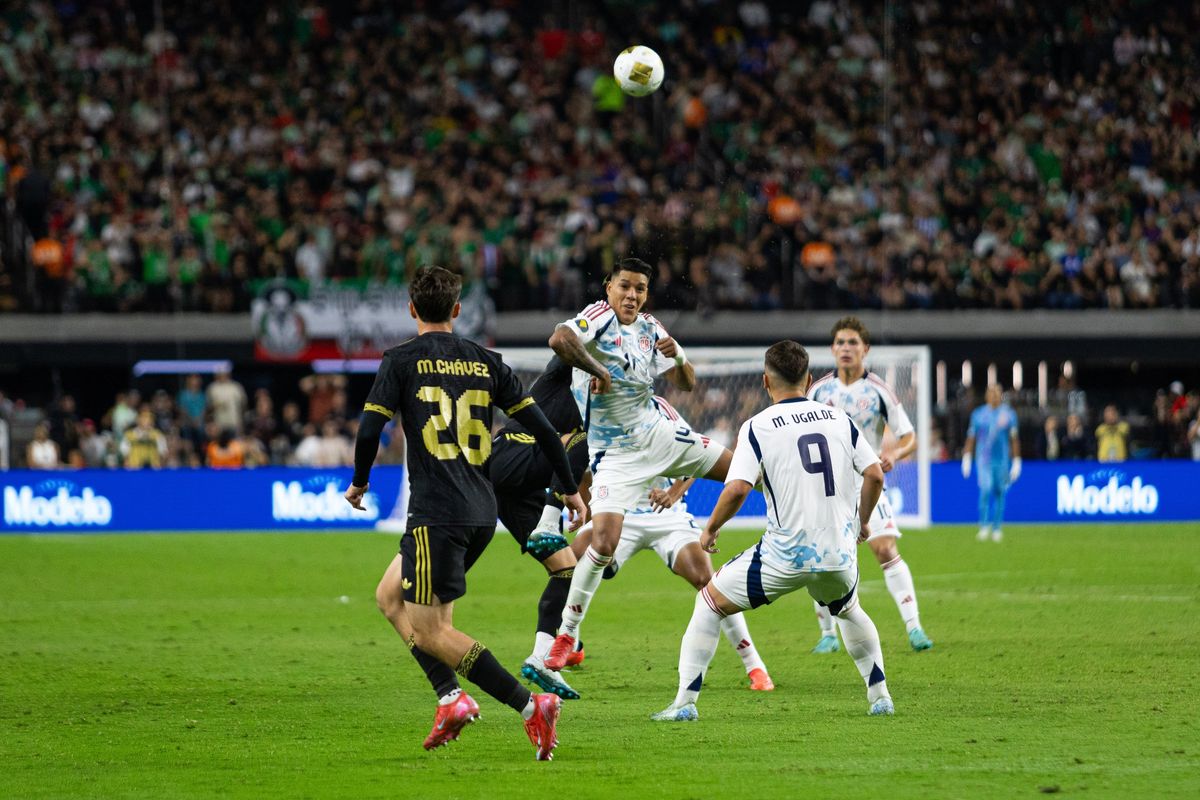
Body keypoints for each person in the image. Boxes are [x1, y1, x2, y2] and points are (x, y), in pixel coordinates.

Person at [343, 266, 587, 761]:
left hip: (437, 513)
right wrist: (568, 490)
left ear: (412, 309)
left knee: (432, 631)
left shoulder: (400, 360)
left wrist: (360, 482)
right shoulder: (487, 361)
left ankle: (528, 705)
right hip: (481, 509)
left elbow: (370, 430)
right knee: (391, 597)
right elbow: (543, 430)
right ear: (457, 310)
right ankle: (450, 698)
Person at [652, 341, 893, 721]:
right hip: (838, 552)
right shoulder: (839, 419)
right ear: (810, 380)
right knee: (848, 610)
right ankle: (880, 696)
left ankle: (684, 704)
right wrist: (863, 521)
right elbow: (875, 473)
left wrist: (710, 529)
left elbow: (737, 488)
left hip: (785, 555)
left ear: (766, 381)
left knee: (710, 601)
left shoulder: (757, 426)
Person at [540, 257, 732, 672]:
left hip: (660, 436)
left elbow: (687, 382)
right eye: (625, 286)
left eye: (640, 288)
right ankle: (567, 635)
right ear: (609, 286)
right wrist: (594, 368)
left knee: (742, 469)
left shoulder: (649, 326)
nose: (631, 295)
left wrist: (679, 357)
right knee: (602, 542)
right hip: (615, 454)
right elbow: (559, 340)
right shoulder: (597, 317)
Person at [587, 400, 774, 692]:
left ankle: (755, 667)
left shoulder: (662, 410)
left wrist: (674, 492)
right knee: (570, 562)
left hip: (667, 518)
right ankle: (565, 642)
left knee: (708, 583)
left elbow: (697, 455)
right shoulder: (598, 411)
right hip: (620, 515)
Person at [808, 317, 933, 653]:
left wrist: (895, 453)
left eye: (852, 343)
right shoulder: (818, 390)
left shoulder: (879, 390)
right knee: (817, 558)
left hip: (868, 482)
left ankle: (914, 627)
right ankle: (827, 634)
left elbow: (910, 437)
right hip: (827, 486)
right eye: (840, 343)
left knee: (884, 548)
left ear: (865, 349)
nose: (846, 349)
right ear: (832, 349)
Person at [487, 355, 593, 701]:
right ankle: (549, 519)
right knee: (579, 440)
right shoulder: (564, 370)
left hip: (520, 486)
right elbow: (563, 340)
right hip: (517, 450)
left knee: (564, 568)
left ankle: (541, 657)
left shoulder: (600, 400)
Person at [963, 384, 1021, 542]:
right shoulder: (979, 414)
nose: (994, 396)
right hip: (983, 460)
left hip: (1002, 460)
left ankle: (996, 528)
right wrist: (966, 457)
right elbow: (971, 436)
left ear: (1001, 395)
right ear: (986, 396)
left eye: (997, 393)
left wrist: (1017, 460)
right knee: (986, 489)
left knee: (1000, 492)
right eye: (992, 393)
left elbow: (1014, 438)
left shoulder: (1009, 414)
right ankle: (983, 526)